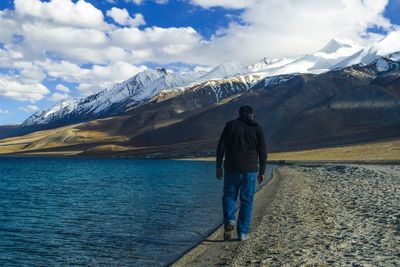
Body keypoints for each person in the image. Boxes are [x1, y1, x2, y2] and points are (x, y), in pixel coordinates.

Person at [216, 105, 267, 241]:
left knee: (229, 196)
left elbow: (221, 146)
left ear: (239, 114)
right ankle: (243, 233)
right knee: (247, 201)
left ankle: (230, 220)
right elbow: (263, 152)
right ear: (252, 114)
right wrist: (262, 171)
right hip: (250, 170)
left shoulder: (231, 125)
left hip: (232, 168)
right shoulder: (258, 128)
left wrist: (218, 165)